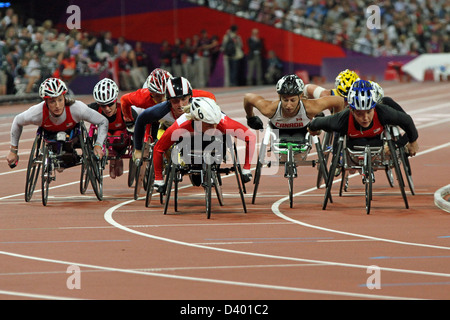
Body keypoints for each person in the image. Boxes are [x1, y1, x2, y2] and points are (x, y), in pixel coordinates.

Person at [152, 96, 256, 192]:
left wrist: (246, 168)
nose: (213, 127)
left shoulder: (222, 122)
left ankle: (214, 163)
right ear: (197, 120)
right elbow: (158, 149)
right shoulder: (180, 126)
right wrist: (158, 179)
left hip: (217, 142)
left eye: (214, 124)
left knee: (221, 135)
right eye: (209, 125)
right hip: (189, 143)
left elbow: (250, 137)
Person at [6, 77, 108, 168]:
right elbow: (17, 121)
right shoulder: (37, 112)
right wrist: (13, 151)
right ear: (45, 101)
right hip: (49, 135)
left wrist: (98, 145)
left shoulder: (77, 108)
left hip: (72, 136)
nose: (57, 105)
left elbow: (103, 121)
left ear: (64, 97)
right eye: (52, 101)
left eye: (60, 100)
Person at [307, 80, 419, 156]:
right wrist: (313, 128)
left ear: (374, 108)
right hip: (354, 144)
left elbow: (407, 120)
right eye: (359, 113)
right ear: (351, 110)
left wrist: (408, 142)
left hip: (378, 141)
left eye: (369, 112)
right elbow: (319, 122)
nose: (365, 118)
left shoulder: (383, 111)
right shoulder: (344, 118)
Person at [132, 76, 216, 162]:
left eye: (183, 99)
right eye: (175, 101)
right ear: (169, 100)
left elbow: (219, 117)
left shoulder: (199, 107)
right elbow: (140, 120)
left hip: (191, 134)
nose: (180, 105)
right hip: (167, 133)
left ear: (190, 97)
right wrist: (138, 149)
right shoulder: (161, 110)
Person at [244, 74, 346, 144]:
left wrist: (335, 121)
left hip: (304, 130)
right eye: (285, 100)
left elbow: (339, 101)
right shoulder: (269, 108)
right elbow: (247, 97)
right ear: (279, 96)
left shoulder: (311, 106)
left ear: (301, 96)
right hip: (279, 131)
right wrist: (250, 118)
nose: (288, 105)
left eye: (292, 100)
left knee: (317, 125)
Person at [90, 78, 138, 179]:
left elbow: (139, 124)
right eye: (103, 105)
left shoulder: (125, 109)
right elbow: (78, 110)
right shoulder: (95, 108)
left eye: (110, 104)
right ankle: (110, 157)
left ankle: (117, 158)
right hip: (105, 139)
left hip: (121, 140)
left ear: (116, 100)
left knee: (118, 132)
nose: (107, 108)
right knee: (106, 135)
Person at [120, 68, 173, 139]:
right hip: (146, 107)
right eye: (158, 96)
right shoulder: (142, 97)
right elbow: (124, 100)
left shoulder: (177, 95)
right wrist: (129, 119)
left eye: (166, 95)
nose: (162, 99)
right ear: (151, 93)